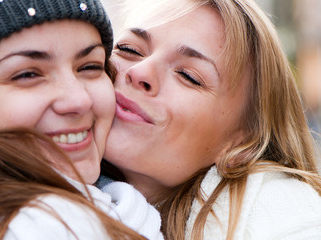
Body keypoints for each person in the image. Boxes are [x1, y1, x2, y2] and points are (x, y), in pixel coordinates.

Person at [101, 0, 321, 239]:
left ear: (243, 145)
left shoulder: (286, 220)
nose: (140, 71)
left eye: (188, 76)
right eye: (128, 49)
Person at [0, 0, 163, 239]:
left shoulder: (122, 208)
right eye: (27, 74)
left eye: (89, 66)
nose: (79, 100)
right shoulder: (32, 228)